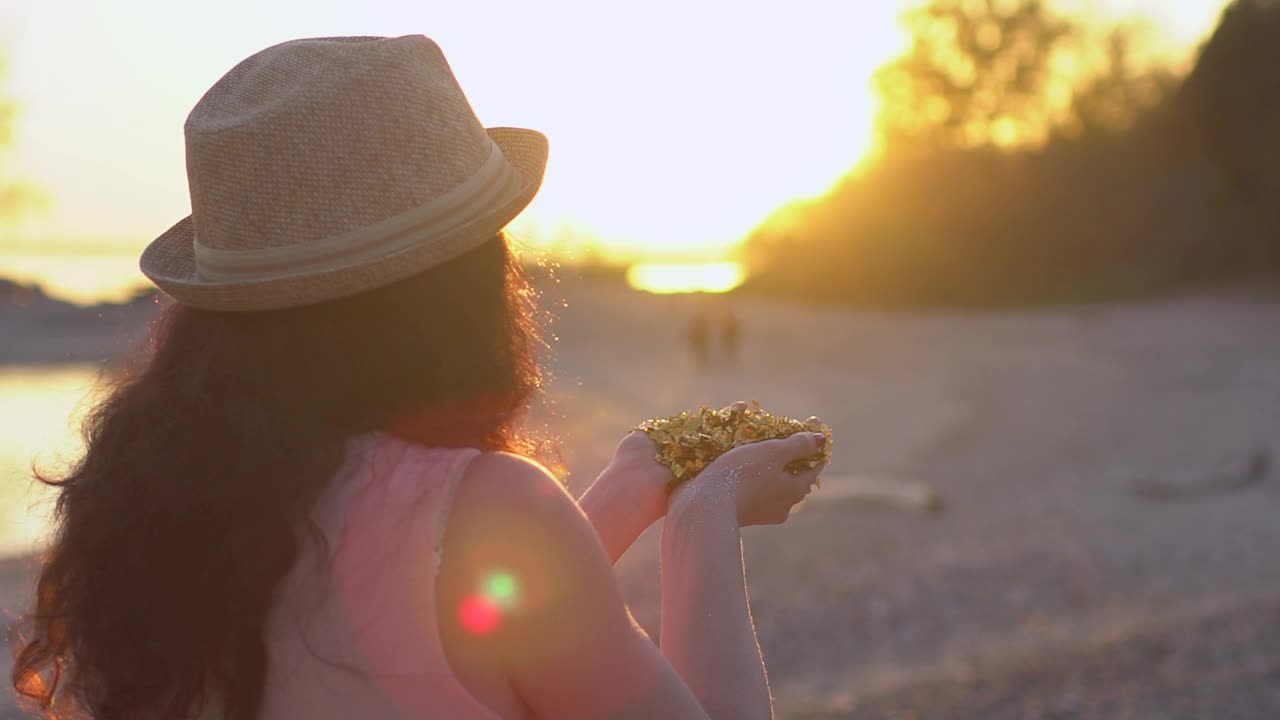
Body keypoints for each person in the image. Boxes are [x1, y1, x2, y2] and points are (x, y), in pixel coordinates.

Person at [11, 36, 826, 720]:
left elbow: (425, 627)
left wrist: (616, 498)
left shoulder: (149, 510)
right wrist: (704, 517)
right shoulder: (489, 508)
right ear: (463, 283)